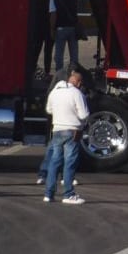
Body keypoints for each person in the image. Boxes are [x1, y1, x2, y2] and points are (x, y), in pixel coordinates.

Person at [40, 68, 89, 205]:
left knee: (54, 162)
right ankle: (68, 194)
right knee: (69, 163)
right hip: (72, 131)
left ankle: (48, 194)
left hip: (57, 130)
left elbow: (48, 110)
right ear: (78, 82)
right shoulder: (76, 93)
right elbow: (84, 115)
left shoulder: (54, 92)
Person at [47, 0, 81, 78]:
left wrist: (51, 29)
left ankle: (59, 76)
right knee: (74, 54)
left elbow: (53, 15)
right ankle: (74, 75)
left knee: (59, 55)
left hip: (61, 29)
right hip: (73, 28)